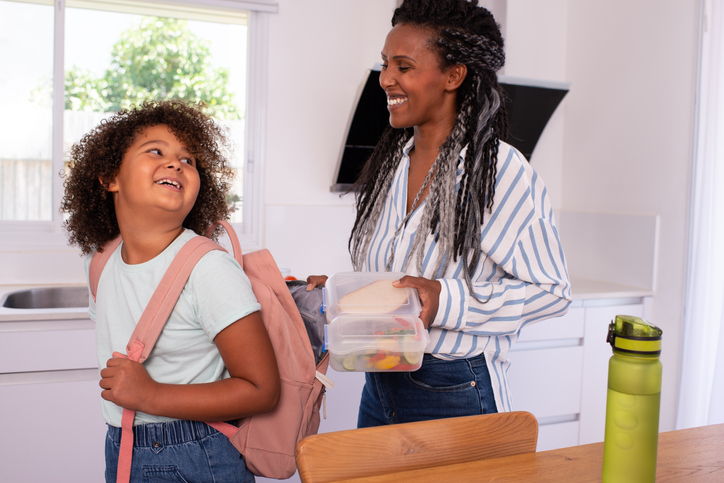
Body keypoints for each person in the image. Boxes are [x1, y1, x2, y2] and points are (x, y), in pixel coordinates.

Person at [307, 0, 571, 427]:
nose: (386, 79)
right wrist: (343, 294)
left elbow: (553, 291)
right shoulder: (392, 166)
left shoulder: (500, 171)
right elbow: (404, 282)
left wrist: (444, 299)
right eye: (385, 64)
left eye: (404, 66)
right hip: (382, 380)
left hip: (454, 389)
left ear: (453, 76)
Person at [61, 100, 280, 482]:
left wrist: (150, 396)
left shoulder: (208, 268)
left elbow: (261, 390)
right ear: (110, 177)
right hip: (122, 446)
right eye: (156, 151)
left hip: (196, 453)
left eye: (189, 160)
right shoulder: (101, 263)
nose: (176, 163)